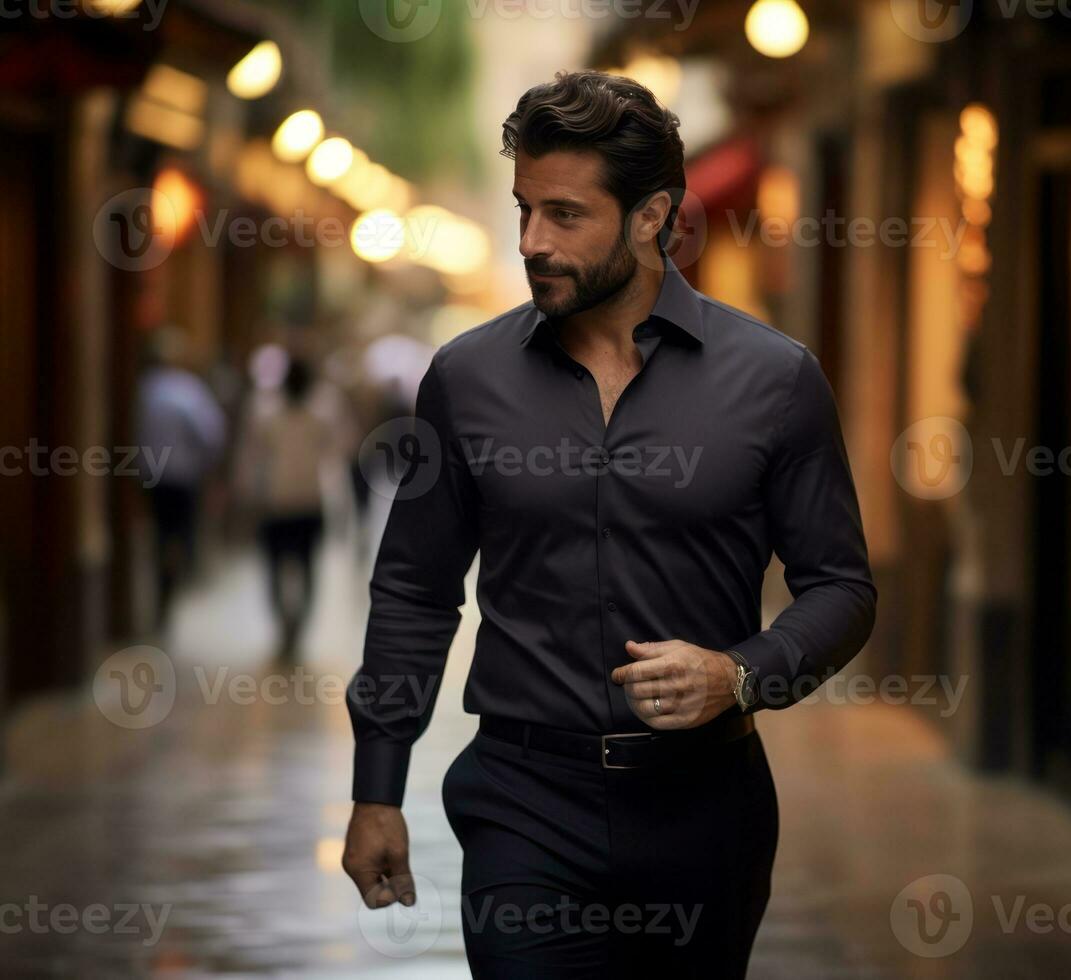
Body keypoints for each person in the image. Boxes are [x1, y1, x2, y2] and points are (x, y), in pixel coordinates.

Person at [343, 70, 877, 978]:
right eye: (522, 211)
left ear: (649, 216)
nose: (531, 243)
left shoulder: (774, 380)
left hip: (705, 809)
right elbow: (414, 588)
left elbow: (841, 589)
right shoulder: (465, 380)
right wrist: (377, 788)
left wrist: (738, 674)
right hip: (521, 805)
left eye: (564, 215)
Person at [135, 326, 226, 632]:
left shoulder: (143, 389)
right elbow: (211, 434)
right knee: (177, 535)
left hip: (149, 474)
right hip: (182, 476)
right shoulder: (187, 390)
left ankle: (162, 584)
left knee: (159, 533)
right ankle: (170, 584)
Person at [238, 358, 330, 663]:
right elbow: (343, 447)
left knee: (276, 568)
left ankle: (286, 627)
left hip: (278, 503)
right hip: (307, 502)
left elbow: (251, 460)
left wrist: (248, 493)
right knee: (305, 568)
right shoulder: (319, 416)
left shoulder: (268, 417)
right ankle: (295, 627)